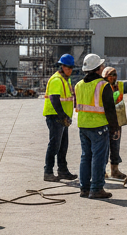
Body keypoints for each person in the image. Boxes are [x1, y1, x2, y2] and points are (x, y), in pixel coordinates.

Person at [74, 53, 120, 199]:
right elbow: (110, 109)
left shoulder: (79, 85)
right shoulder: (102, 85)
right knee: (98, 158)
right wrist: (115, 128)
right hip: (99, 127)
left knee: (85, 157)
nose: (103, 67)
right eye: (101, 65)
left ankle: (84, 188)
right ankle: (97, 188)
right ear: (98, 69)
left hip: (83, 126)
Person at [42, 54, 78, 183]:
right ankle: (48, 172)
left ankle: (63, 171)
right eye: (68, 67)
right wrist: (62, 116)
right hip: (55, 117)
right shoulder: (56, 80)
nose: (70, 70)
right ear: (62, 67)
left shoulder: (66, 80)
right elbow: (54, 99)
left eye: (71, 68)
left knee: (63, 146)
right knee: (54, 145)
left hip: (63, 118)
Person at [102, 66, 127, 180]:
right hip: (105, 121)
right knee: (104, 148)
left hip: (116, 122)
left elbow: (118, 104)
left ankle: (115, 170)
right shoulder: (102, 87)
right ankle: (102, 170)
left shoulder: (117, 87)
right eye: (111, 75)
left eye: (115, 75)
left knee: (115, 147)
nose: (113, 77)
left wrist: (119, 123)